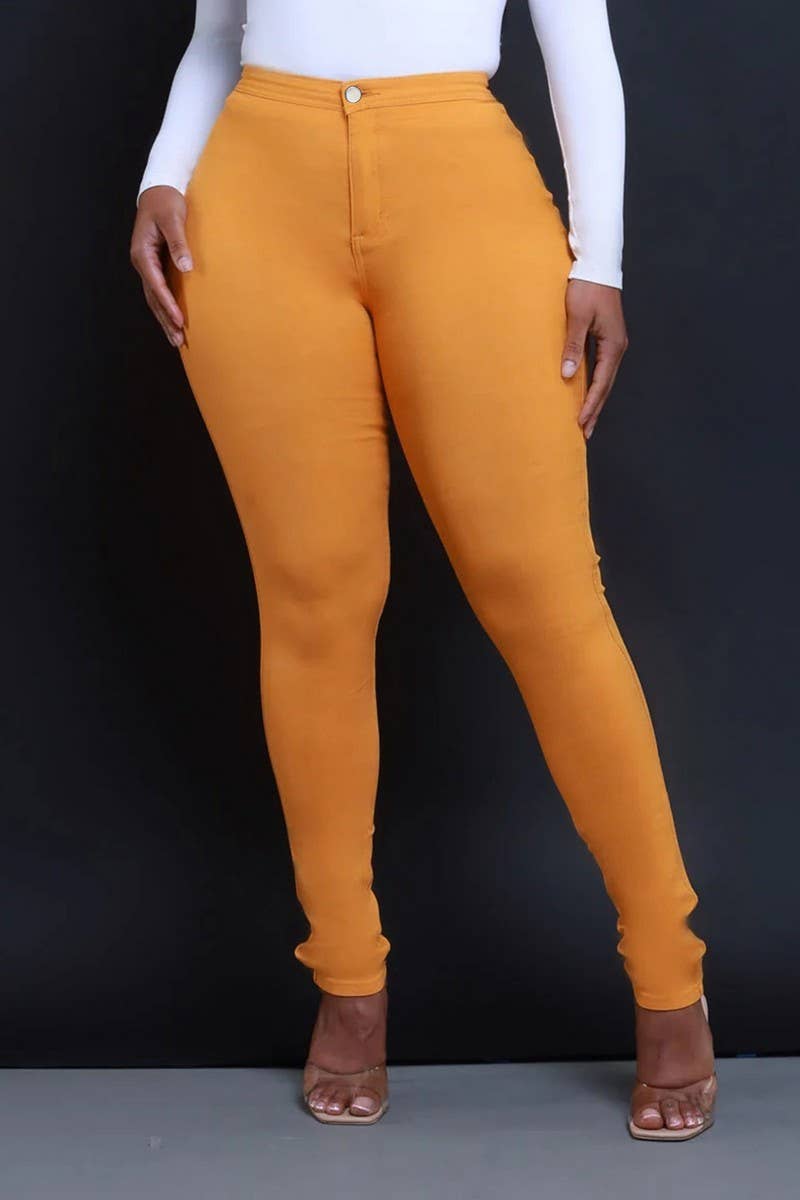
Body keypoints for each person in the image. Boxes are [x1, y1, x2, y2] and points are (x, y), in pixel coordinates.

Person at [130, 0, 717, 1139]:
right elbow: (217, 34)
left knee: (545, 596)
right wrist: (161, 174)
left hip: (462, 190)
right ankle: (346, 976)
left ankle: (668, 975)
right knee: (313, 597)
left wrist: (598, 258)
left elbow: (578, 43)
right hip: (252, 197)